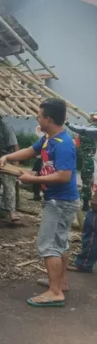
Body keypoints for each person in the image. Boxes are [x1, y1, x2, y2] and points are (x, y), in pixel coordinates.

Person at [0, 98, 79, 307]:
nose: (37, 118)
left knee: (49, 244)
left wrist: (32, 179)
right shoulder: (49, 138)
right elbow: (31, 150)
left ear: (48, 119)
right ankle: (61, 282)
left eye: (39, 115)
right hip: (59, 200)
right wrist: (8, 156)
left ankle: (55, 292)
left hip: (60, 202)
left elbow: (64, 176)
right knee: (60, 243)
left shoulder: (64, 144)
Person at [65, 113, 97, 273]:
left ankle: (84, 263)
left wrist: (68, 123)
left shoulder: (92, 130)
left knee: (91, 227)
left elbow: (83, 130)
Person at [66, 113, 97, 212]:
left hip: (89, 159)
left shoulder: (88, 130)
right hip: (91, 159)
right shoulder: (89, 130)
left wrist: (67, 123)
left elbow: (77, 144)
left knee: (86, 182)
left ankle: (86, 203)